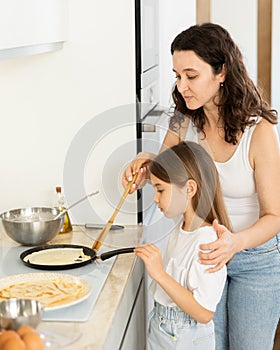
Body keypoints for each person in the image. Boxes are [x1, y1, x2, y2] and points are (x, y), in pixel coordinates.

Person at [124, 23, 280, 349]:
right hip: (203, 256)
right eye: (177, 76)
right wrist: (145, 164)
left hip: (256, 260)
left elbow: (274, 216)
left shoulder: (258, 131)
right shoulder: (184, 118)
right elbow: (166, 170)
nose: (182, 86)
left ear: (221, 71)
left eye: (191, 76)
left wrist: (235, 243)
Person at [135, 141, 231, 350]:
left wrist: (159, 274)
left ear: (190, 188)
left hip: (185, 337)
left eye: (160, 190)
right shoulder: (182, 227)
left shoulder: (206, 243)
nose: (155, 197)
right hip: (163, 328)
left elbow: (204, 313)